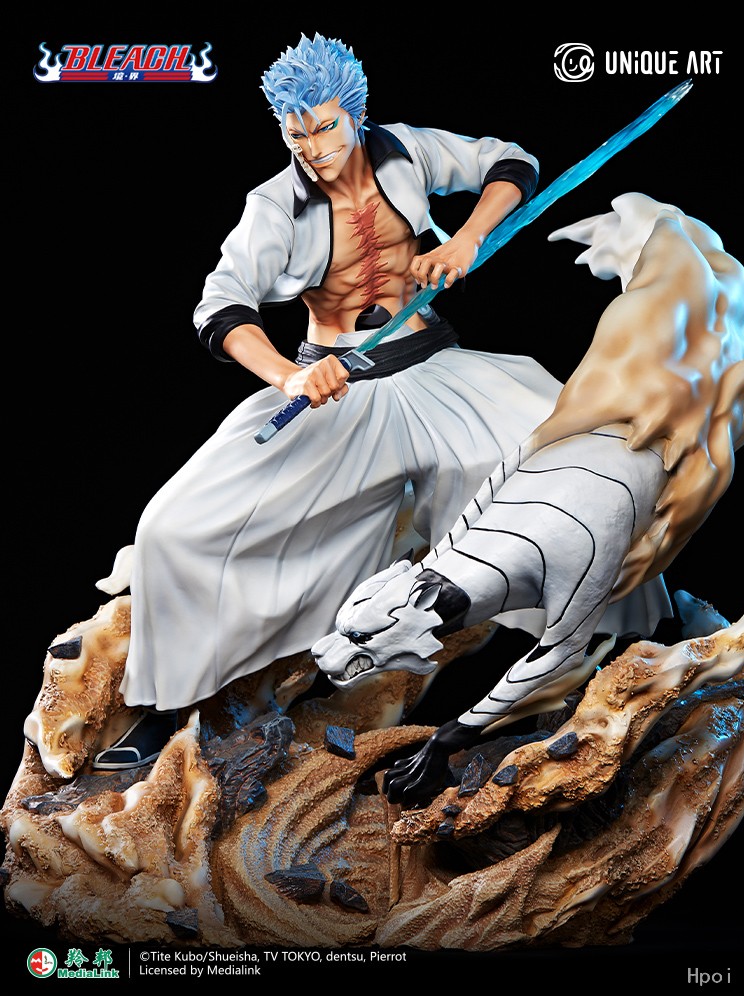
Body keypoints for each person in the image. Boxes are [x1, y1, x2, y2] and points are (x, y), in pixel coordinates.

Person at [94, 33, 670, 769]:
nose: (312, 148)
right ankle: (167, 705)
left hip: (435, 367)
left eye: (325, 128)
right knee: (174, 528)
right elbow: (222, 307)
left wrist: (466, 239)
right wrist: (288, 376)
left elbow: (511, 162)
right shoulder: (274, 206)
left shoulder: (405, 151)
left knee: (584, 470)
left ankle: (614, 647)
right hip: (338, 391)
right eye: (295, 134)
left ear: (356, 114)